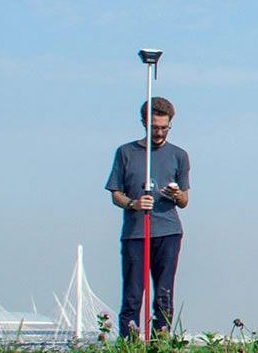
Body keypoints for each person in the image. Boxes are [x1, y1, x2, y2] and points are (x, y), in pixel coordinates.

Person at [104, 96, 191, 339]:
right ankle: (130, 342)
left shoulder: (179, 156)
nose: (160, 133)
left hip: (168, 231)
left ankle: (160, 341)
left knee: (164, 294)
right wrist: (134, 203)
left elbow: (185, 202)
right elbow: (115, 194)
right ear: (144, 123)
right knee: (132, 294)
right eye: (155, 128)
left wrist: (176, 194)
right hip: (136, 233)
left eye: (165, 128)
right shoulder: (125, 153)